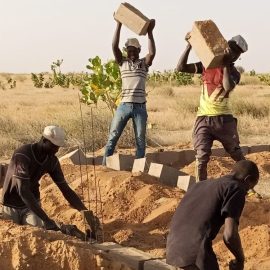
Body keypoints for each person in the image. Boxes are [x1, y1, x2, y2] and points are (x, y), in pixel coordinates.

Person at [1, 125, 100, 234]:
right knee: (11, 234)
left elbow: (65, 189)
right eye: (53, 146)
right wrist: (46, 219)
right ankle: (60, 227)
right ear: (44, 140)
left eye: (58, 147)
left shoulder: (52, 161)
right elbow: (23, 190)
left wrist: (84, 212)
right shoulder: (23, 154)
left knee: (37, 233)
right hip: (11, 203)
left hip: (32, 206)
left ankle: (65, 229)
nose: (56, 150)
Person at [176, 34, 248, 181]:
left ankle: (249, 185)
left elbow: (227, 87)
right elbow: (180, 67)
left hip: (224, 120)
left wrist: (226, 64)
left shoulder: (234, 73)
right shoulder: (206, 65)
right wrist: (189, 45)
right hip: (203, 119)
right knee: (201, 157)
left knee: (236, 153)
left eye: (236, 53)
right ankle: (200, 189)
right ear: (225, 47)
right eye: (230, 49)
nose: (232, 54)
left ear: (238, 56)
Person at [166, 160, 259, 270]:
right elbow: (229, 235)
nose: (247, 191)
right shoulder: (235, 188)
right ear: (247, 179)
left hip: (172, 251)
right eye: (249, 188)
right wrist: (240, 260)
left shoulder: (198, 185)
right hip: (195, 255)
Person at [102, 16, 156, 165]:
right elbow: (114, 46)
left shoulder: (143, 64)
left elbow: (152, 53)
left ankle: (138, 169)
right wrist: (118, 24)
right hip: (124, 106)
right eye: (129, 50)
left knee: (140, 140)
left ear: (139, 50)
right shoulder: (122, 63)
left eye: (134, 50)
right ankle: (104, 167)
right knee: (113, 137)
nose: (131, 53)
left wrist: (150, 33)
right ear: (126, 51)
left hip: (140, 107)